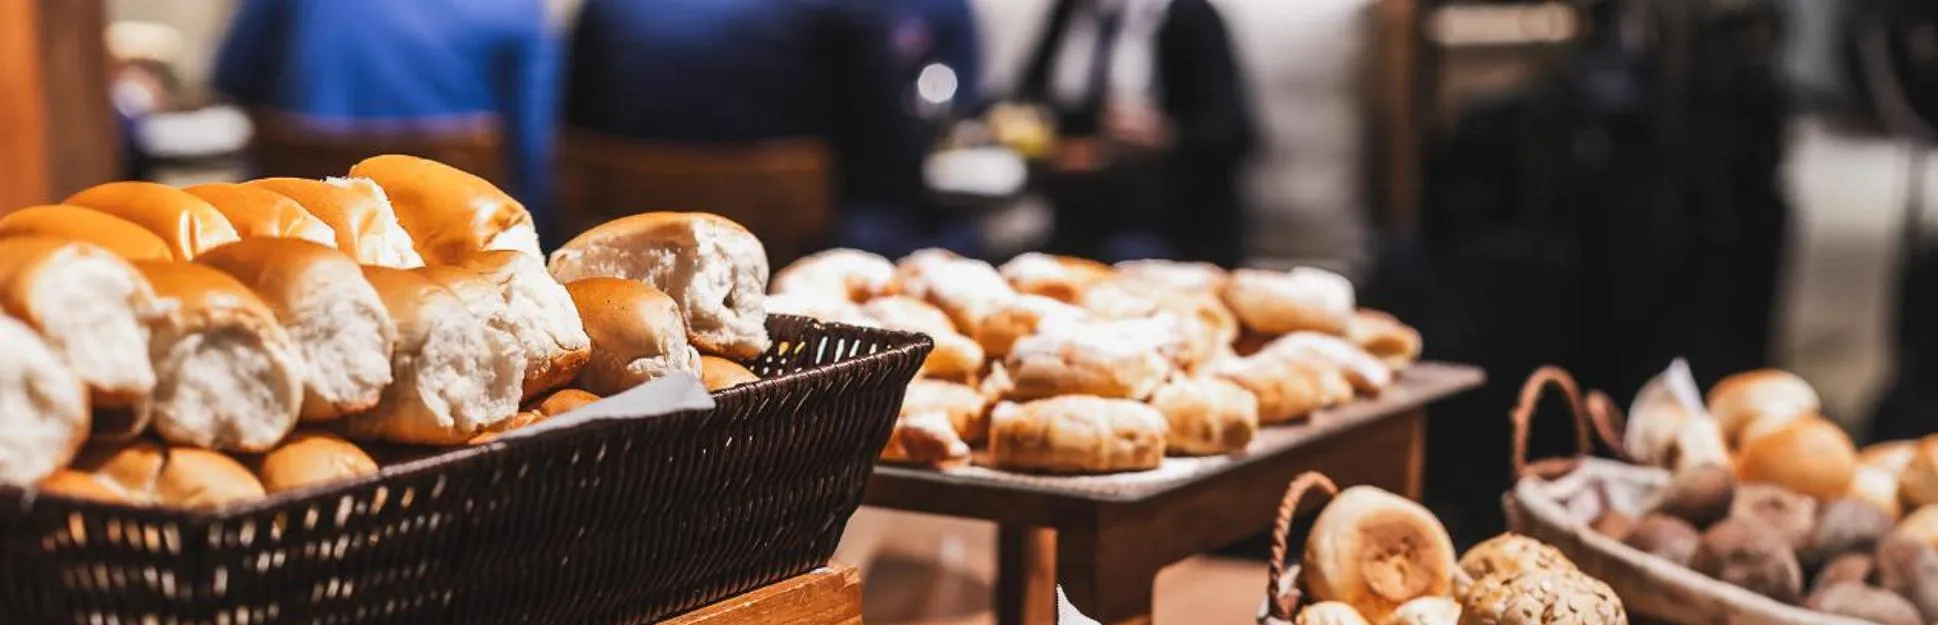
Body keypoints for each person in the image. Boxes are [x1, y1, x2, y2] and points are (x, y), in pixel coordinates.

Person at [561, 0, 930, 255]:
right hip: (794, 265)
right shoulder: (844, 13)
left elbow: (573, 136)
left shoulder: (605, 10)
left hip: (636, 264)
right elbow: (895, 165)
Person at [209, 0, 559, 226]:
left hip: (296, 233)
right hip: (454, 247)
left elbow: (230, 81)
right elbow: (534, 150)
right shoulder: (519, 9)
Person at [1014, 0, 1257, 266]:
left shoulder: (1189, 15)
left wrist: (1163, 135)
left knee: (1126, 252)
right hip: (1076, 207)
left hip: (1166, 214)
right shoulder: (1071, 10)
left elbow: (1232, 132)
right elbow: (1030, 96)